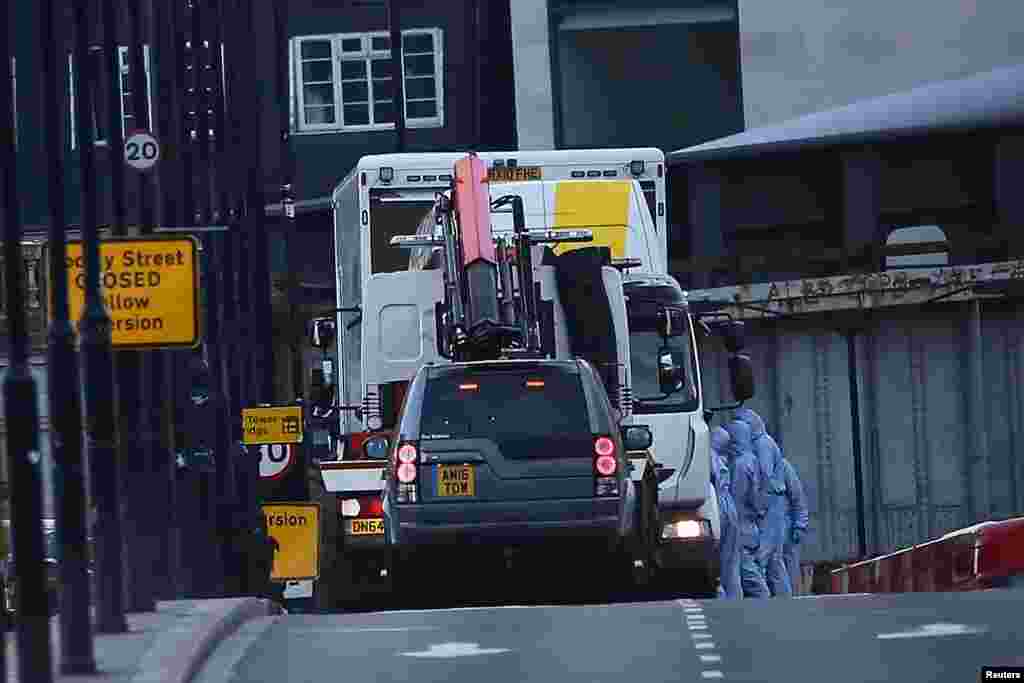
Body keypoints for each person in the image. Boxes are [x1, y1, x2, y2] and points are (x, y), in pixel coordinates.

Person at [736, 408, 792, 597]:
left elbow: (765, 475)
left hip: (770, 505)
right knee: (774, 560)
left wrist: (760, 505)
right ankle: (783, 599)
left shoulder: (761, 445)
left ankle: (769, 600)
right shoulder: (765, 442)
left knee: (764, 555)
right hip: (773, 503)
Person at [723, 419, 770, 598]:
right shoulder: (752, 460)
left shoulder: (740, 465)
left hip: (741, 528)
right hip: (750, 527)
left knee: (749, 576)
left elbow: (737, 497)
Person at [710, 426, 741, 599]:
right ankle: (735, 598)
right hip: (730, 507)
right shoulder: (722, 459)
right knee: (732, 559)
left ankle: (720, 595)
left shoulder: (708, 456)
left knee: (718, 556)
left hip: (718, 505)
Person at [781, 456, 810, 595]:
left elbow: (798, 497)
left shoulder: (783, 466)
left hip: (787, 530)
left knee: (790, 570)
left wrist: (800, 525)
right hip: (768, 530)